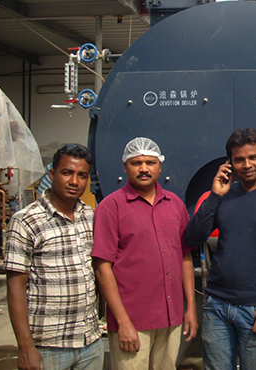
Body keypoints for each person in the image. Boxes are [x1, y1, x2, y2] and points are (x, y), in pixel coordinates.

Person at [186, 127, 256, 370]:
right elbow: (193, 237)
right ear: (230, 162)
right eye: (239, 159)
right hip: (217, 306)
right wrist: (215, 196)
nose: (247, 165)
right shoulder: (223, 195)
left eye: (253, 157)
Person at [92, 137, 198, 370]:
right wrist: (122, 322)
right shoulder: (111, 207)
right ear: (125, 167)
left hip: (171, 318)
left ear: (160, 166)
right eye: (136, 163)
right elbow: (102, 268)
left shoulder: (175, 204)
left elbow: (184, 258)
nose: (143, 169)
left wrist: (190, 308)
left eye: (150, 163)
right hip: (133, 320)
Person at [4, 143, 103, 370]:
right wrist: (25, 347)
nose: (74, 181)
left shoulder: (90, 217)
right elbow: (15, 287)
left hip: (90, 342)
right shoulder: (25, 221)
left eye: (82, 175)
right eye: (67, 172)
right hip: (48, 346)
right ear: (52, 174)